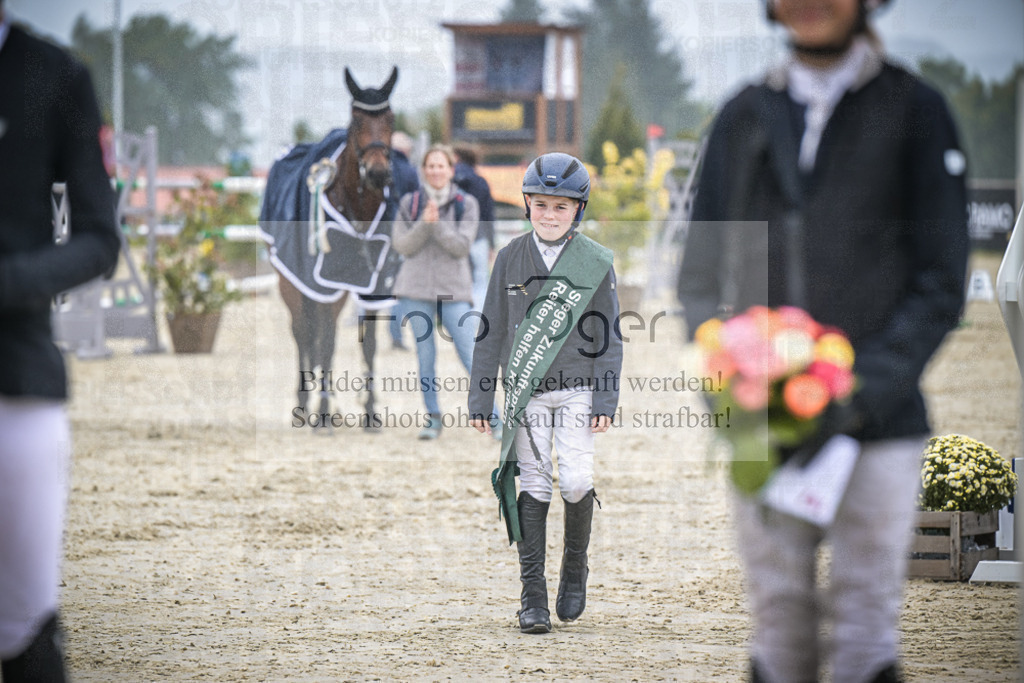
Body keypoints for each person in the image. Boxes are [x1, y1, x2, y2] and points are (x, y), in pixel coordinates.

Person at [676, 0, 968, 681]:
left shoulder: (916, 111)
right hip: (761, 417)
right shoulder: (742, 114)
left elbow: (940, 283)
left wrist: (857, 391)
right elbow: (699, 276)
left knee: (865, 627)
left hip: (880, 419)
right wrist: (725, 378)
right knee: (779, 624)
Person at [0, 4, 121, 681]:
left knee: (25, 632)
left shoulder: (54, 76)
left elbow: (99, 237)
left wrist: (13, 281)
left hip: (13, 375)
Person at [469, 153, 622, 634]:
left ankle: (574, 568)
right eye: (540, 205)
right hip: (527, 393)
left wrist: (605, 398)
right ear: (527, 206)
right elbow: (489, 331)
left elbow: (610, 337)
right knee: (533, 484)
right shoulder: (509, 256)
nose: (550, 215)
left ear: (578, 209)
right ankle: (532, 596)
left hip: (578, 390)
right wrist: (480, 397)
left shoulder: (594, 261)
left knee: (575, 481)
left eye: (561, 206)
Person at [392, 144, 481, 440]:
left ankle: (493, 416)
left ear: (451, 170)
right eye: (430, 166)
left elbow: (460, 247)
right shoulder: (410, 203)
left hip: (454, 290)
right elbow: (402, 245)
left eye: (441, 165)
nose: (435, 171)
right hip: (415, 290)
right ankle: (432, 418)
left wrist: (437, 225)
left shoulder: (465, 203)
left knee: (469, 355)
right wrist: (423, 224)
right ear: (423, 170)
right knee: (425, 357)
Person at [453, 144, 496, 311]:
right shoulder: (481, 181)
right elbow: (488, 215)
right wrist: (491, 243)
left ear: (456, 157)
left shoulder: (449, 180)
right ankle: (477, 317)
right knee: (480, 280)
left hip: (454, 237)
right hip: (479, 236)